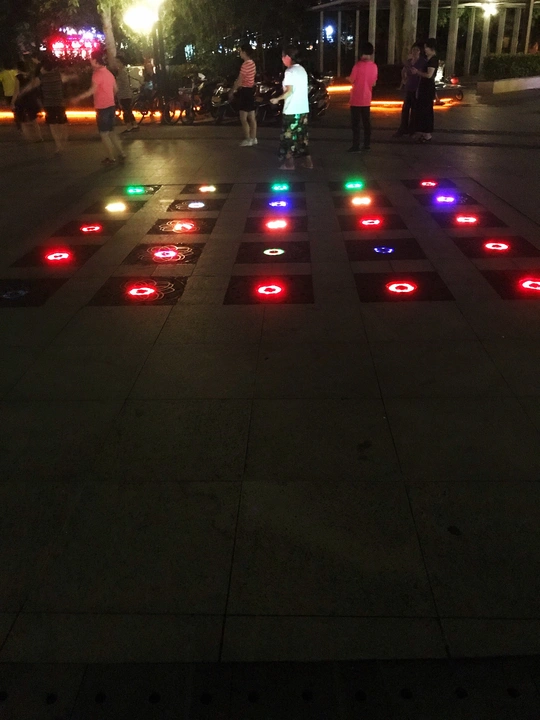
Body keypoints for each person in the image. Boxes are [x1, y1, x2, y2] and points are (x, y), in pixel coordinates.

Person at [73, 49, 125, 166]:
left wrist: (79, 97)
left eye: (91, 59)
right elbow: (115, 89)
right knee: (111, 132)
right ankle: (121, 153)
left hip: (102, 107)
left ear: (96, 61)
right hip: (111, 105)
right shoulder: (109, 73)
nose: (90, 61)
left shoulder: (96, 74)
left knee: (104, 134)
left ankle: (111, 157)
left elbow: (92, 90)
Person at [19, 55, 75, 154]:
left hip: (49, 104)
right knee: (62, 123)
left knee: (53, 125)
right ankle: (64, 142)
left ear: (43, 68)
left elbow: (31, 86)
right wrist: (74, 76)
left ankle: (59, 145)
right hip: (59, 103)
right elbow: (67, 78)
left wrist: (22, 92)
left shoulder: (42, 77)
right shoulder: (58, 75)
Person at [270, 45, 313, 170]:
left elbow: (289, 91)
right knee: (302, 137)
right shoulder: (302, 70)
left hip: (292, 109)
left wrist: (277, 99)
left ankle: (289, 164)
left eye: (283, 57)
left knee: (288, 137)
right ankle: (308, 162)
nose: (282, 59)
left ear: (288, 57)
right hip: (303, 109)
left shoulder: (289, 71)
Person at [346, 41, 378, 152]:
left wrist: (347, 78)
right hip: (367, 98)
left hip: (356, 98)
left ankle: (356, 145)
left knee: (356, 124)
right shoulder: (374, 66)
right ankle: (367, 144)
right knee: (366, 122)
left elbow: (352, 79)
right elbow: (374, 83)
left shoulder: (357, 66)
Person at [394, 43, 426, 137]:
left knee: (415, 110)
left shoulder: (422, 62)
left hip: (417, 88)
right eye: (413, 50)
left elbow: (425, 74)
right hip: (409, 87)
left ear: (419, 51)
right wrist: (404, 79)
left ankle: (412, 129)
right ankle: (403, 128)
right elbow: (404, 70)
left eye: (417, 50)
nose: (415, 52)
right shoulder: (409, 62)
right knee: (405, 109)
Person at [411, 37, 437, 143]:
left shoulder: (433, 60)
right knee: (423, 110)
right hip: (424, 88)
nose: (424, 50)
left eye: (426, 48)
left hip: (427, 88)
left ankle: (427, 134)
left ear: (431, 48)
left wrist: (417, 72)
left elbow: (429, 75)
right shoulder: (428, 59)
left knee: (426, 111)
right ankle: (424, 133)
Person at [230, 44, 257, 146]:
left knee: (243, 117)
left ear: (244, 52)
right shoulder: (252, 63)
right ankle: (253, 138)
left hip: (245, 91)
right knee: (252, 117)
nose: (240, 53)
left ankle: (248, 139)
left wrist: (232, 91)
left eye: (241, 51)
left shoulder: (245, 65)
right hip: (250, 91)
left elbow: (240, 80)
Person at [11, 61, 42, 142]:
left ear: (18, 68)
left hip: (22, 101)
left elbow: (16, 91)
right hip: (31, 100)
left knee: (23, 120)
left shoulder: (18, 77)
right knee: (33, 119)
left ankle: (28, 137)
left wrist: (13, 102)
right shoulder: (30, 76)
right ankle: (39, 136)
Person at [113, 54, 137, 133]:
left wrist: (116, 91)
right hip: (126, 94)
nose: (116, 64)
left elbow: (121, 85)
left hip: (124, 95)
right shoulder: (124, 71)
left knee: (126, 111)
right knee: (128, 111)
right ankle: (134, 125)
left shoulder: (122, 72)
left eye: (117, 62)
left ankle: (129, 126)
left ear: (121, 63)